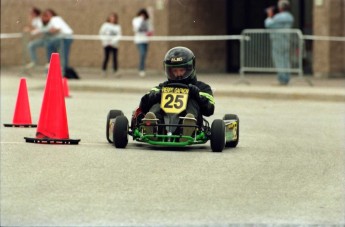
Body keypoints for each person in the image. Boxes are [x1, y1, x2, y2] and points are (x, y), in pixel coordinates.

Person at [138, 46, 215, 138]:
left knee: (192, 101)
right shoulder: (162, 87)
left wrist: (197, 95)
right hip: (162, 126)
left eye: (181, 70)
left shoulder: (202, 88)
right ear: (169, 71)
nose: (178, 74)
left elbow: (209, 110)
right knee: (157, 102)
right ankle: (152, 126)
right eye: (175, 71)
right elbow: (143, 105)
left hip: (190, 125)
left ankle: (187, 127)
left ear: (190, 68)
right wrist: (159, 95)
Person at [265, 0, 294, 85]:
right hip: (286, 40)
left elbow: (269, 24)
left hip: (278, 40)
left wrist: (269, 16)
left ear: (281, 8)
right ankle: (286, 77)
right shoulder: (290, 17)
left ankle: (282, 79)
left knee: (279, 60)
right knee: (285, 59)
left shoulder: (279, 17)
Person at [40, 9, 74, 75]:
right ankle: (53, 66)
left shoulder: (54, 19)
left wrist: (49, 31)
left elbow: (57, 28)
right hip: (64, 37)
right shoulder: (54, 20)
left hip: (65, 37)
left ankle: (64, 71)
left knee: (62, 54)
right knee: (52, 47)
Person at [132, 8, 153, 77]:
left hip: (145, 40)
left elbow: (150, 30)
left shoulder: (148, 21)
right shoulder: (136, 20)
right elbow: (136, 29)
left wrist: (150, 34)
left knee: (144, 55)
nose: (143, 16)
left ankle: (142, 68)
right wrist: (141, 20)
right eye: (141, 15)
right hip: (139, 40)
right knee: (142, 53)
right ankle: (141, 69)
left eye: (144, 15)